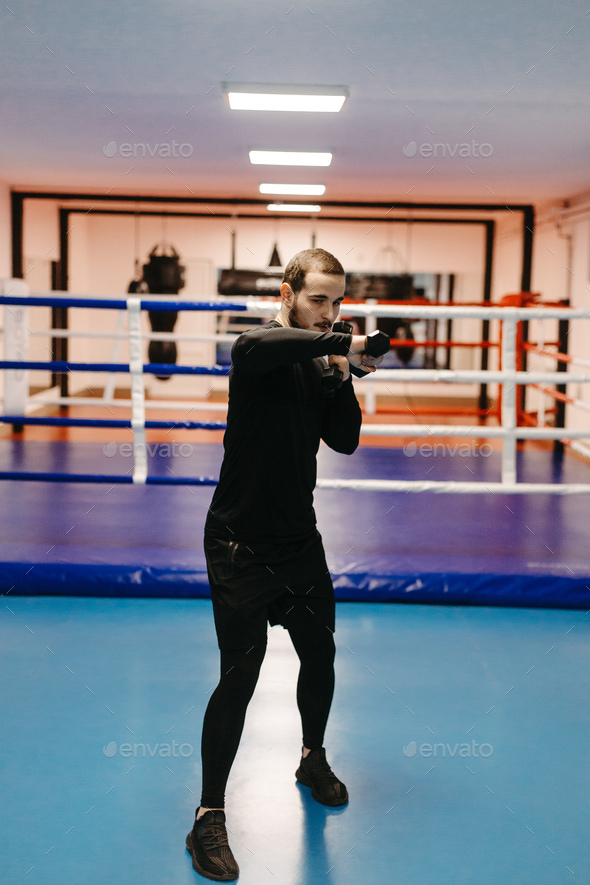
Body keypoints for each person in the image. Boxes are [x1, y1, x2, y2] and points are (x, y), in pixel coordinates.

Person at [186, 248, 383, 882]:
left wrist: (347, 373)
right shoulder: (260, 349)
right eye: (318, 299)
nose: (329, 312)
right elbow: (259, 349)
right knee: (240, 675)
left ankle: (311, 758)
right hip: (239, 544)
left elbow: (345, 440)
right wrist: (336, 346)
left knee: (319, 653)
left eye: (337, 301)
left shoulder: (323, 363)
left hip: (299, 541)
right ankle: (207, 815)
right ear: (288, 294)